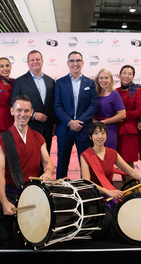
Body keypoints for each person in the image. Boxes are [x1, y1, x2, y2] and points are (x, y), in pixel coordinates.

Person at [0, 94, 54, 243]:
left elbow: (47, 163)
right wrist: (4, 202)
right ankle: (6, 234)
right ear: (12, 111)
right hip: (9, 192)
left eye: (26, 111)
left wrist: (48, 172)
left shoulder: (39, 138)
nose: (22, 114)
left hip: (32, 192)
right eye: (19, 110)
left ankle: (18, 223)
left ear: (31, 112)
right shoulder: (2, 139)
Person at [80, 122, 141, 238]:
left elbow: (131, 171)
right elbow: (87, 182)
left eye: (103, 133)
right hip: (95, 195)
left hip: (112, 194)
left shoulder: (113, 153)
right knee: (109, 220)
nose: (100, 136)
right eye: (96, 133)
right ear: (90, 137)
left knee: (131, 213)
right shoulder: (85, 155)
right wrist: (108, 192)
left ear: (107, 136)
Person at [54, 51, 98, 179]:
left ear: (82, 63)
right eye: (72, 61)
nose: (75, 63)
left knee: (86, 165)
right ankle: (61, 192)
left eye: (78, 60)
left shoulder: (89, 83)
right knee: (61, 164)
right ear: (68, 64)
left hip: (84, 129)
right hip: (64, 129)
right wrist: (70, 122)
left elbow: (93, 105)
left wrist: (79, 122)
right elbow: (57, 105)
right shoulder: (60, 82)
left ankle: (87, 191)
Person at [11, 50, 55, 153]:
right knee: (30, 160)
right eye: (32, 60)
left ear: (42, 61)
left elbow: (53, 104)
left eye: (37, 59)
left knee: (45, 161)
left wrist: (54, 124)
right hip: (29, 127)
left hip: (47, 129)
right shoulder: (19, 81)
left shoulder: (51, 81)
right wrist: (33, 114)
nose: (35, 62)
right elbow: (14, 104)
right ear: (28, 63)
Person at [116, 65, 141, 183]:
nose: (126, 76)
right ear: (119, 75)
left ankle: (132, 190)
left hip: (129, 131)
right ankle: (125, 189)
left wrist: (122, 115)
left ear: (133, 76)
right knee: (120, 163)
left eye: (129, 74)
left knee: (128, 163)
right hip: (116, 131)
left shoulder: (137, 91)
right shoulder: (116, 91)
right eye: (124, 73)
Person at [93, 68, 125, 150]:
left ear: (110, 79)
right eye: (101, 78)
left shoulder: (114, 94)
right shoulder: (95, 94)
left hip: (109, 129)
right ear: (97, 80)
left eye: (106, 78)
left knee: (107, 157)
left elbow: (122, 114)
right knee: (95, 158)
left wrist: (103, 122)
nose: (104, 80)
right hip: (94, 129)